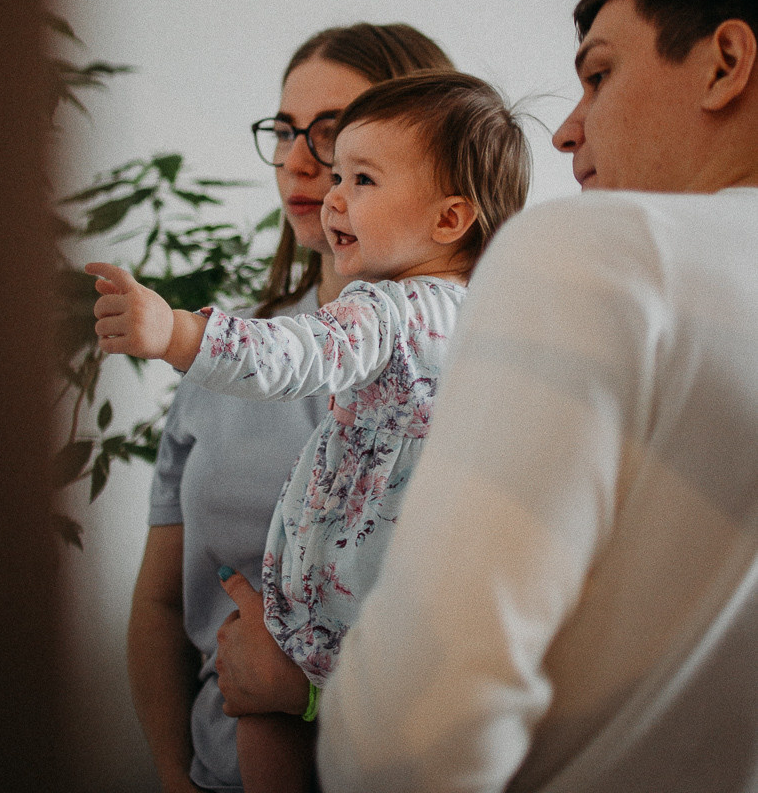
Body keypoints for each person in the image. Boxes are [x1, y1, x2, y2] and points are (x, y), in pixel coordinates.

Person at [316, 0, 758, 793]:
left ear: (725, 63)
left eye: (598, 75)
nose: (565, 132)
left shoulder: (604, 249)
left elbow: (409, 738)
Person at [87, 70, 532, 793]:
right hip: (414, 624)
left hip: (331, 605)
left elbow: (290, 352)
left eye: (359, 176)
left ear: (449, 219)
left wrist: (174, 331)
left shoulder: (385, 310)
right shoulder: (497, 315)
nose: (328, 189)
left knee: (263, 715)